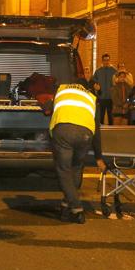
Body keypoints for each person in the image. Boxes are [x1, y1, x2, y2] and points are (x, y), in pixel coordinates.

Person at [46, 79, 107, 224]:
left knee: (64, 170)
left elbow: (50, 109)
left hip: (64, 131)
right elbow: (96, 129)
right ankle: (65, 207)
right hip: (85, 133)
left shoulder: (61, 89)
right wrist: (99, 157)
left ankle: (76, 208)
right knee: (77, 168)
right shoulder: (91, 98)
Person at [91, 53, 117, 125]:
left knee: (110, 116)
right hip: (101, 97)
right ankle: (101, 131)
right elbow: (93, 81)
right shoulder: (98, 71)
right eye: (105, 60)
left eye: (108, 60)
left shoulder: (114, 71)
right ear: (102, 61)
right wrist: (96, 87)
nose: (106, 62)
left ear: (109, 60)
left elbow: (117, 83)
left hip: (110, 97)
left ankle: (112, 132)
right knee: (101, 116)